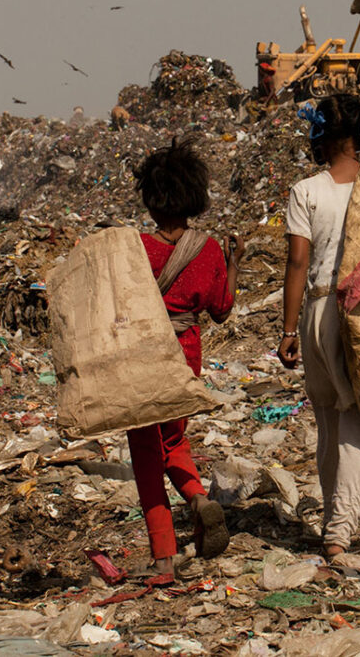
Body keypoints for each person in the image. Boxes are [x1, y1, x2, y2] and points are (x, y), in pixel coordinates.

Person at [280, 93, 360, 559]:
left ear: (320, 135)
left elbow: (298, 262)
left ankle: (332, 519)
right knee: (354, 422)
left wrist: (288, 331)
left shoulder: (306, 190)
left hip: (317, 312)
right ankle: (340, 532)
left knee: (327, 419)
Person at [130, 138, 244, 578]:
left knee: (145, 450)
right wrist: (233, 263)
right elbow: (221, 309)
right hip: (187, 353)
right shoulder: (209, 249)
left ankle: (163, 557)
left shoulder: (137, 247)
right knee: (174, 439)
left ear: (152, 198)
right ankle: (197, 498)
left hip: (145, 355)